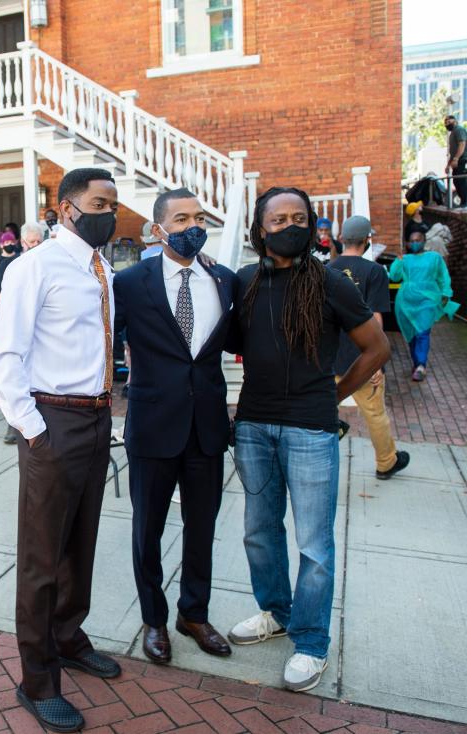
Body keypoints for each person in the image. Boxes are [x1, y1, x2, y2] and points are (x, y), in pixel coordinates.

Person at [228, 187, 389, 693]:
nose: (289, 225)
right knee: (259, 530)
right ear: (261, 229)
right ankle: (277, 611)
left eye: (299, 217)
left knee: (315, 544)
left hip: (310, 430)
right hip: (253, 426)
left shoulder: (331, 282)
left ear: (313, 224)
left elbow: (376, 346)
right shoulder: (246, 281)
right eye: (279, 219)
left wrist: (334, 393)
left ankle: (312, 641)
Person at [0, 168, 121, 733]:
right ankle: (37, 680)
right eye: (99, 203)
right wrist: (33, 429)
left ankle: (68, 637)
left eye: (113, 203)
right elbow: (6, 355)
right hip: (53, 423)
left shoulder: (102, 269)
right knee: (43, 560)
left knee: (80, 546)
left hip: (95, 420)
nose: (109, 213)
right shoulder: (33, 267)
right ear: (66, 208)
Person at [115, 188, 237, 666]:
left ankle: (194, 613)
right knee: (148, 528)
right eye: (181, 218)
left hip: (206, 426)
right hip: (152, 424)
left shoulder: (224, 281)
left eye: (199, 218)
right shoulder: (129, 283)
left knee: (201, 526)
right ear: (158, 228)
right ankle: (154, 619)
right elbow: (101, 342)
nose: (192, 226)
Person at [328, 216, 409, 479]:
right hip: (362, 357)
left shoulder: (325, 269)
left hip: (330, 357)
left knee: (322, 409)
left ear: (342, 240)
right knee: (374, 413)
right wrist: (377, 362)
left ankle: (317, 460)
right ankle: (386, 462)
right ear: (366, 241)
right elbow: (375, 319)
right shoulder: (374, 272)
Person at [389, 230, 458, 382]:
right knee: (412, 335)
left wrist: (446, 293)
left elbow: (443, 276)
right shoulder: (405, 259)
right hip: (406, 302)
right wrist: (398, 261)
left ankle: (421, 365)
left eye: (418, 240)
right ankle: (416, 362)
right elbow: (394, 276)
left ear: (424, 240)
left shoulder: (434, 257)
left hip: (427, 299)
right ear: (407, 243)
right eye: (411, 240)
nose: (415, 243)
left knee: (422, 332)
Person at [0, 230, 26, 445]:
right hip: (13, 324)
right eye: (30, 242)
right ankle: (13, 424)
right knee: (12, 372)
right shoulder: (7, 265)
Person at [445, 114, 467, 207]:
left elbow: (462, 144)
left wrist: (456, 159)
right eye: (445, 123)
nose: (447, 124)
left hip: (462, 160)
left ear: (454, 121)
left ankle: (465, 203)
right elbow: (452, 152)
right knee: (456, 181)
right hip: (456, 161)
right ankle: (463, 202)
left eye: (448, 121)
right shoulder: (452, 134)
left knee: (461, 181)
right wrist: (448, 165)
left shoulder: (459, 129)